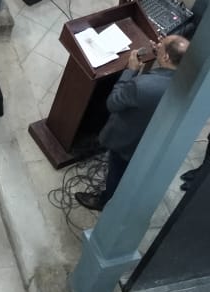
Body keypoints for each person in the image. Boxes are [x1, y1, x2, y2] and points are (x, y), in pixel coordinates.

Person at [75, 35, 190, 211]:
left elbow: (113, 103)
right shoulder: (189, 83)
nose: (158, 45)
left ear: (166, 57)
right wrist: (159, 53)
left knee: (116, 172)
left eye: (162, 46)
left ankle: (105, 201)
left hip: (127, 142)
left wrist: (130, 71)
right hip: (153, 139)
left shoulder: (142, 85)